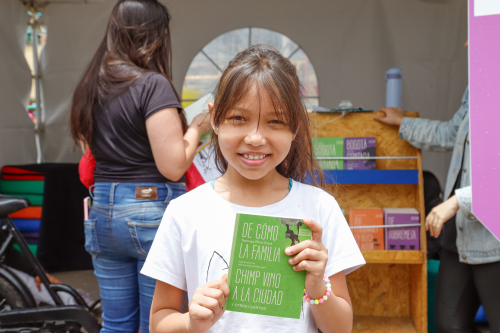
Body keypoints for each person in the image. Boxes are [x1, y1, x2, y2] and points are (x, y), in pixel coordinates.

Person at [141, 44, 366, 333]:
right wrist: (190, 321)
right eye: (238, 118)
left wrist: (316, 287)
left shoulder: (319, 209)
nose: (256, 137)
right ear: (215, 119)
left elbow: (341, 329)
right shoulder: (185, 211)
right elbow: (159, 320)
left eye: (275, 121)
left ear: (295, 128)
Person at [69, 1, 211, 332]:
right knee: (156, 324)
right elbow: (173, 166)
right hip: (150, 212)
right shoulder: (152, 85)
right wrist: (197, 128)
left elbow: (89, 152)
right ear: (156, 36)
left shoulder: (91, 87)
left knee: (116, 325)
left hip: (103, 209)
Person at [375, 41, 500, 333]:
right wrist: (403, 122)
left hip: (493, 243)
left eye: (476, 32)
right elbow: (450, 133)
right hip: (459, 237)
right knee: (447, 326)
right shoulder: (479, 86)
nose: (468, 42)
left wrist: (455, 202)